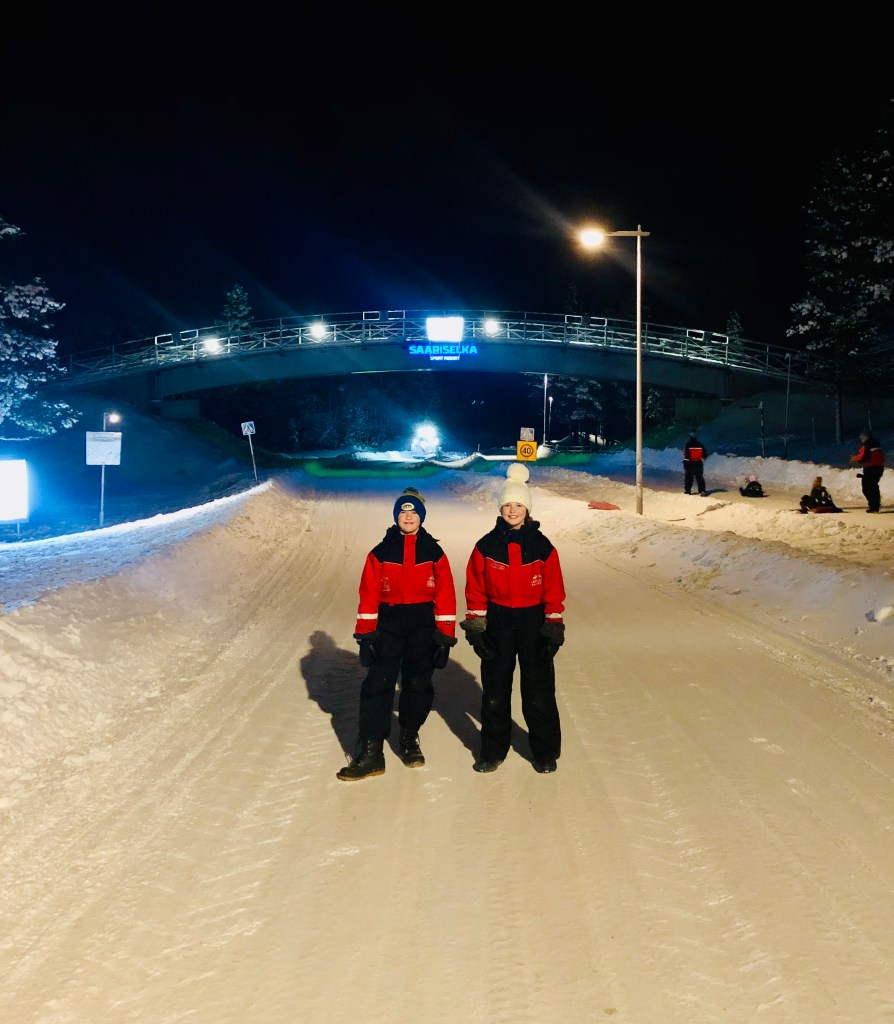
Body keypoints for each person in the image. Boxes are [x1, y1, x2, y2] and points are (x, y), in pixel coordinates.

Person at [337, 487, 457, 782]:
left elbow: (445, 594)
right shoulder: (380, 553)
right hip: (388, 624)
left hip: (422, 624)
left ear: (422, 517)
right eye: (403, 512)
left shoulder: (434, 553)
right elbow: (368, 594)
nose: (408, 517)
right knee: (378, 684)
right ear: (395, 517)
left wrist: (444, 636)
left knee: (417, 683)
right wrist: (365, 635)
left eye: (413, 512)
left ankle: (409, 736)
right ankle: (371, 751)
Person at [460, 463, 566, 775]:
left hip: (534, 622)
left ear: (527, 509)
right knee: (495, 692)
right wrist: (476, 624)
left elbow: (554, 587)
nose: (512, 510)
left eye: (518, 505)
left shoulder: (542, 546)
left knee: (538, 692)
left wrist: (553, 623)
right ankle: (493, 751)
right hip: (499, 621)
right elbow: (475, 587)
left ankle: (545, 751)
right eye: (507, 505)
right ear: (500, 508)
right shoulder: (486, 546)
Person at [850, 431, 885, 513]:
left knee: (867, 488)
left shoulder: (866, 445)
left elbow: (864, 457)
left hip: (870, 468)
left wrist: (855, 458)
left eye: (862, 436)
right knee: (874, 486)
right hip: (879, 467)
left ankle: (873, 506)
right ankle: (875, 505)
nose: (861, 438)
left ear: (865, 437)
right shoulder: (877, 444)